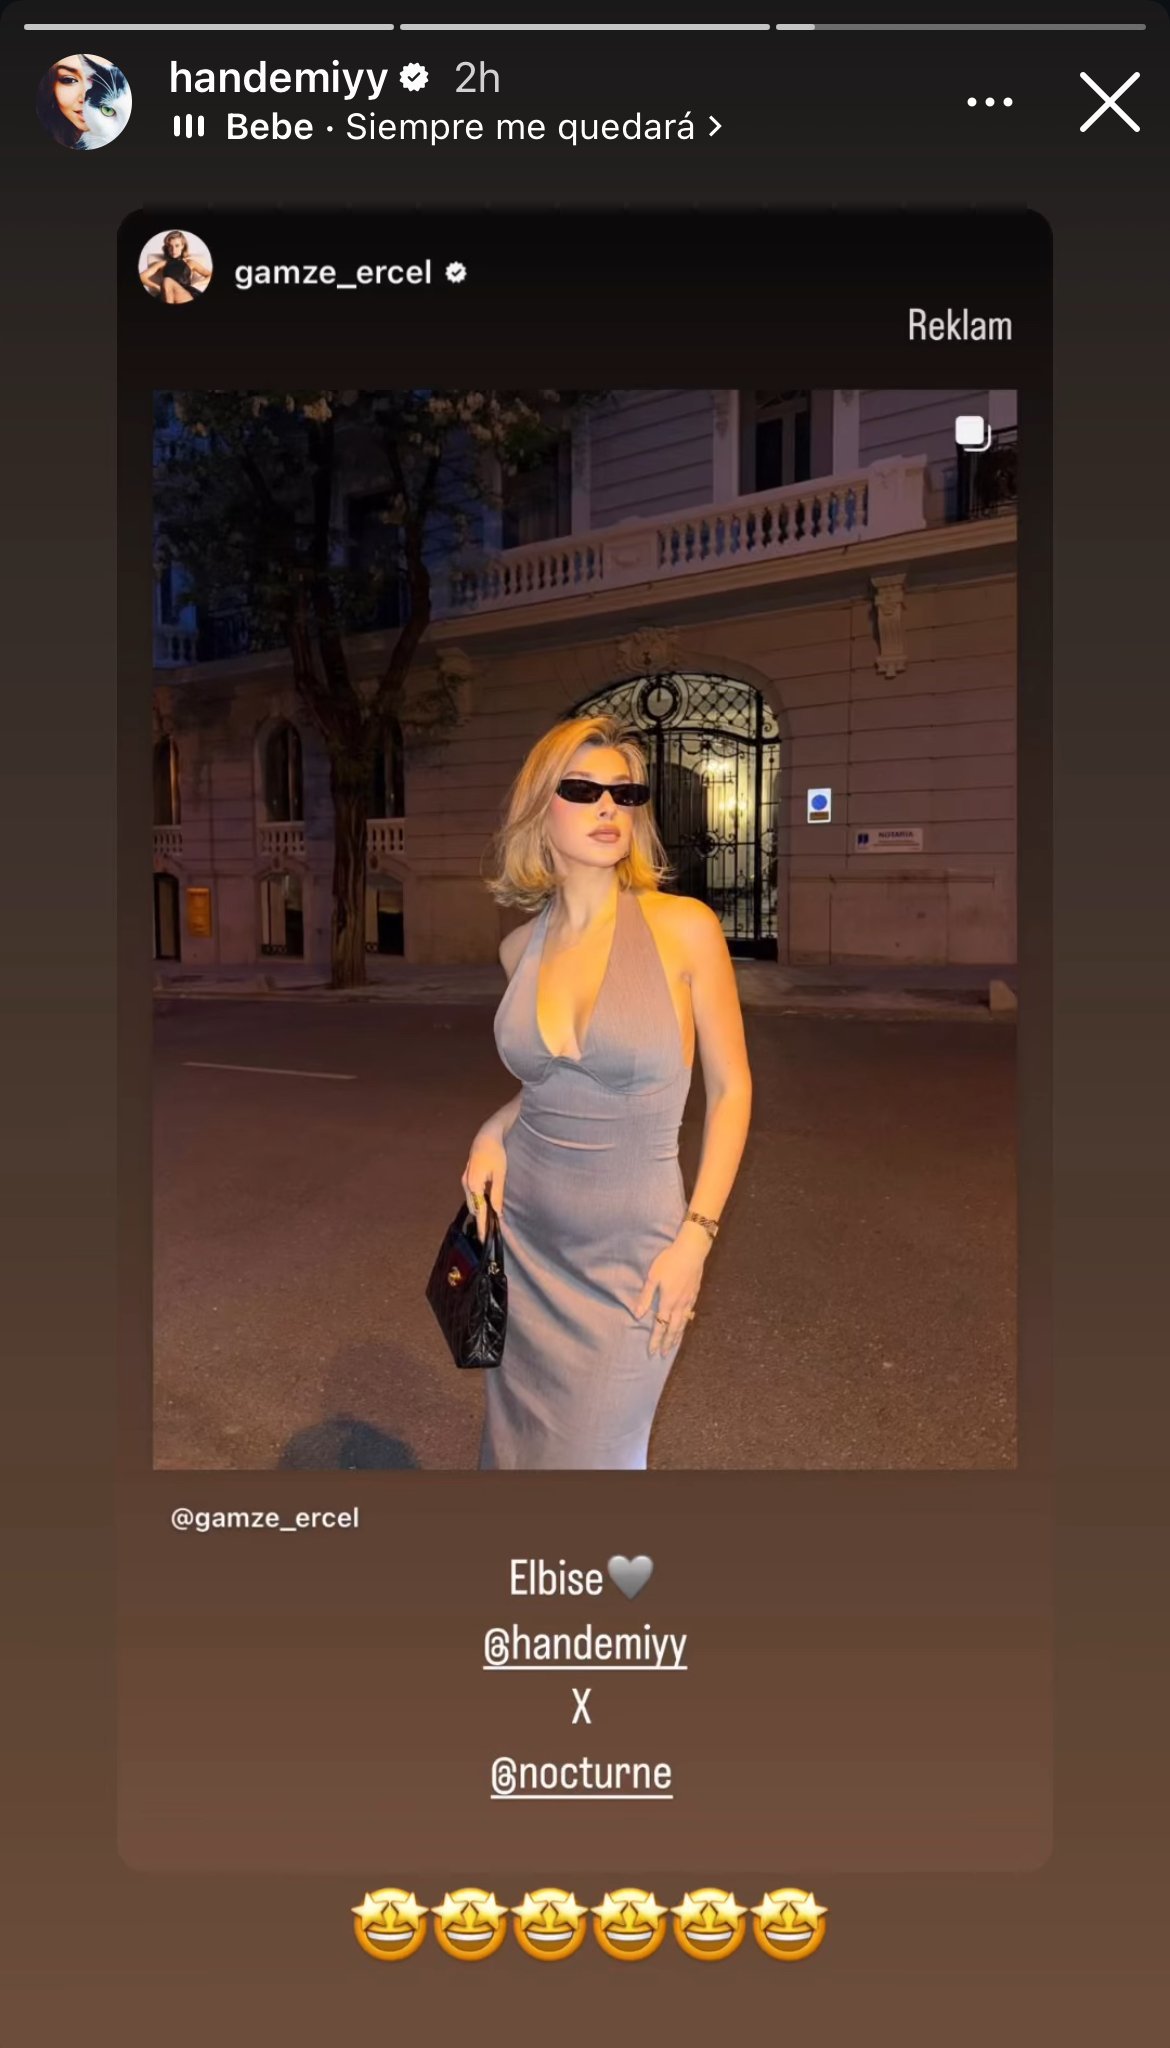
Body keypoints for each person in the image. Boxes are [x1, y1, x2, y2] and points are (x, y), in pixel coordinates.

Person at [463, 712, 753, 1470]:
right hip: (526, 1240)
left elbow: (731, 1091)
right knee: (517, 1450)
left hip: (635, 1253)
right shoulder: (518, 948)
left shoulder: (683, 927)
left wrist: (697, 1238)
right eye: (582, 789)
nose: (607, 807)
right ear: (539, 810)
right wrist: (493, 1130)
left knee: (600, 1454)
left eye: (625, 794)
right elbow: (550, 1084)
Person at [139, 233, 211, 304]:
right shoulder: (162, 263)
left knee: (167, 280)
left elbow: (210, 275)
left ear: (182, 246)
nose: (173, 250)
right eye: (170, 246)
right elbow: (142, 276)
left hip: (186, 295)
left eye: (177, 245)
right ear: (167, 247)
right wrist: (157, 287)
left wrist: (197, 284)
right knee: (167, 282)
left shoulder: (190, 263)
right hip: (167, 295)